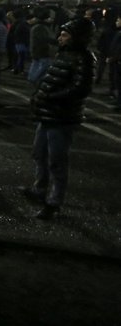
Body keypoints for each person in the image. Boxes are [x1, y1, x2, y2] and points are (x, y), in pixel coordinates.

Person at [21, 18, 95, 220]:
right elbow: (50, 80)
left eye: (64, 35)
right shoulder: (64, 54)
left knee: (57, 161)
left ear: (76, 37)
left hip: (62, 118)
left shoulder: (84, 58)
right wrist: (38, 96)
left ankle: (54, 202)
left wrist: (51, 97)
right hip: (47, 114)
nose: (60, 38)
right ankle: (40, 188)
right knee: (39, 154)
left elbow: (80, 89)